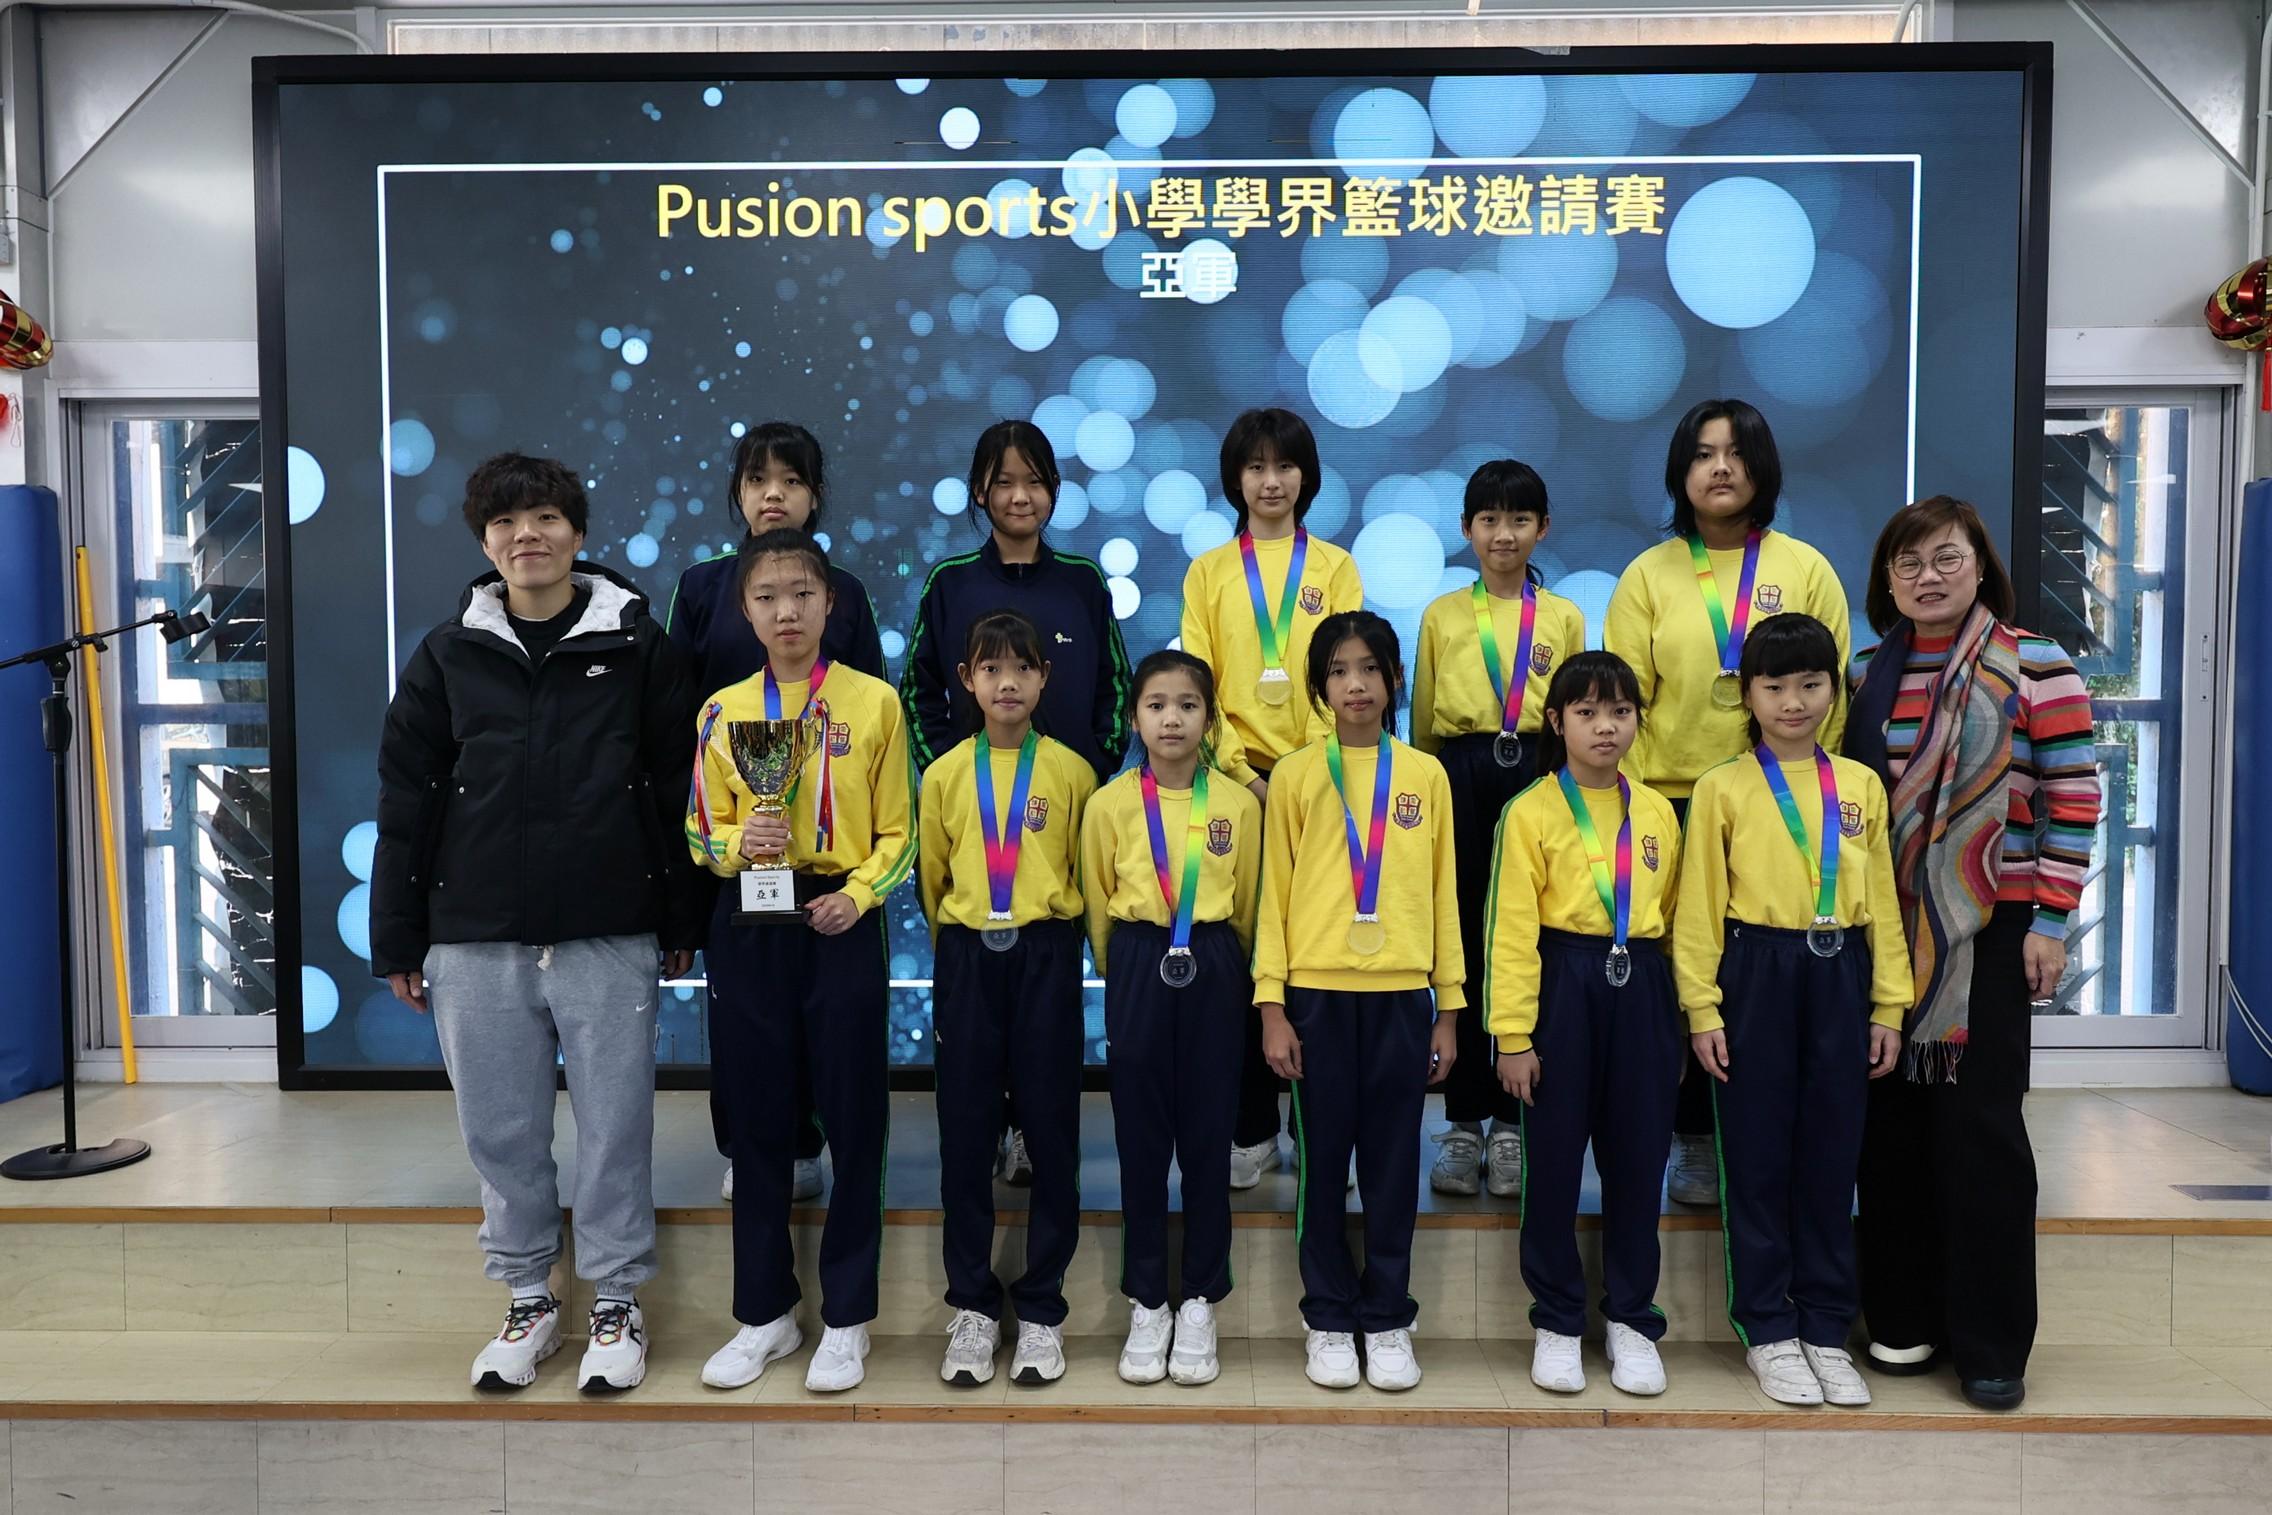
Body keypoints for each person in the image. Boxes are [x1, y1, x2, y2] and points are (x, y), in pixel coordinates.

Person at [370, 451, 704, 1395]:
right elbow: (406, 799)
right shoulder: (447, 654)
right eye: (507, 522)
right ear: (486, 543)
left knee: (615, 1128)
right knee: (501, 1130)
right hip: (473, 934)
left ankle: (616, 1303)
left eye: (547, 517)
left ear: (578, 532)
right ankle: (528, 1298)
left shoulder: (638, 646)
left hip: (608, 927)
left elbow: (677, 788)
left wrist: (681, 914)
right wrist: (398, 935)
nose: (529, 535)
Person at [1846, 496, 2101, 1412]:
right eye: (1909, 562)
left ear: (1980, 565)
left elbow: (2074, 795)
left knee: (1982, 1134)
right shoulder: (1864, 674)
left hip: (1992, 928)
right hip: (1884, 932)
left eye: (1946, 558)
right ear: (1887, 581)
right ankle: (1902, 1318)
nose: (1929, 576)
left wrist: (2050, 922)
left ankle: (1990, 1342)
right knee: (1889, 1131)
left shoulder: (2038, 664)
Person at [1604, 398, 1851, 1210]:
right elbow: (1624, 700)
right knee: (1679, 973)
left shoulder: (1805, 568)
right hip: (1669, 804)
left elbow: (1832, 694)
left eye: (1736, 453)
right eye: (1704, 453)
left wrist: (1799, 785)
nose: (1720, 467)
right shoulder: (1648, 575)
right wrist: (1638, 804)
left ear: (1762, 467)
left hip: (1776, 804)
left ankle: (1752, 1134)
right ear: (1681, 470)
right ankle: (1689, 1136)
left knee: (1757, 978)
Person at [686, 530, 914, 1395]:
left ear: (831, 605)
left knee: (854, 1116)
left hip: (840, 918)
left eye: (802, 594)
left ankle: (847, 1316)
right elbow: (699, 829)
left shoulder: (874, 703)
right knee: (756, 1120)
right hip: (750, 917)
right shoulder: (721, 711)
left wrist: (859, 893)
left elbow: (900, 831)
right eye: (768, 596)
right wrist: (736, 841)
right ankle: (764, 1312)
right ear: (745, 611)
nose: (787, 610)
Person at [1673, 613, 1908, 1408]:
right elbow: (1698, 909)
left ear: (1834, 690)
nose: (1794, 701)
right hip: (1756, 971)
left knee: (1831, 1157)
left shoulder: (1861, 786)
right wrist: (1703, 1009)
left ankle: (1825, 1327)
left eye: (1811, 684)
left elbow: (1883, 905)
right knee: (1758, 1155)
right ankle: (1769, 1328)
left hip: (1841, 972)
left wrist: (1889, 1004)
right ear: (1747, 694)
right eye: (1775, 686)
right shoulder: (1722, 787)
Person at [902, 419, 1130, 1187]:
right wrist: (954, 775)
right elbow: (916, 690)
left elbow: (1117, 688)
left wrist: (1091, 779)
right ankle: (992, 1128)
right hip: (977, 821)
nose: (1019, 495)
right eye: (1003, 482)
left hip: (1062, 819)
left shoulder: (1083, 582)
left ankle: (1033, 1128)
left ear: (1054, 491)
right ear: (980, 492)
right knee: (978, 1002)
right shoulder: (950, 583)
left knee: (1047, 989)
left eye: (1033, 481)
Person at [664, 420, 885, 1208]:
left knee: (827, 1017)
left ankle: (810, 1144)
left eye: (791, 480)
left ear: (815, 496)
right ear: (738, 493)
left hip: (824, 850)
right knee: (745, 1019)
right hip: (736, 840)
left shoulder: (843, 590)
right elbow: (676, 717)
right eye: (758, 480)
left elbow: (868, 710)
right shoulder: (702, 587)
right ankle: (753, 1147)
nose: (774, 494)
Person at [1254, 611, 1462, 1392]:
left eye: (1370, 668)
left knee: (1392, 1164)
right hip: (1315, 995)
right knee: (1322, 1166)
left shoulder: (1426, 775)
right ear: (1319, 687)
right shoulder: (1296, 775)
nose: (1356, 684)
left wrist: (1449, 1007)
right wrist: (1272, 1005)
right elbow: (1274, 894)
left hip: (1402, 996)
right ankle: (1329, 1315)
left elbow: (1443, 894)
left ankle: (1388, 1314)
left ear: (1394, 678)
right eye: (1339, 670)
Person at [1484, 651, 1683, 1398]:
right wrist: (1513, 1035)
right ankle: (1559, 1319)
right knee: (1555, 1162)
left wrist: (1680, 1018)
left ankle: (1631, 1317)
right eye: (1588, 712)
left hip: (1643, 983)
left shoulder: (1656, 811)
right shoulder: (1529, 811)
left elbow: (1679, 921)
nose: (1606, 726)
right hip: (1562, 983)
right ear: (1556, 721)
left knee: (1639, 1160)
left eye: (1620, 711)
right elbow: (1509, 931)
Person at [1179, 406, 1364, 1190]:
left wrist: (1305, 771)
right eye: (1255, 466)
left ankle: (1316, 1128)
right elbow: (1196, 682)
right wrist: (1239, 769)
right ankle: (1251, 1127)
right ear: (1236, 479)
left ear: (1305, 477)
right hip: (1233, 782)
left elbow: (1344, 670)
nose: (1271, 480)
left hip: (1317, 781)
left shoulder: (1336, 567)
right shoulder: (1210, 571)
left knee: (1314, 951)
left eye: (1285, 465)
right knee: (1242, 955)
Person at [918, 610, 1098, 1387]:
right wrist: (965, 942)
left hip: (1045, 953)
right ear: (967, 679)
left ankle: (1043, 1308)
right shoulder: (943, 774)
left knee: (1052, 1130)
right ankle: (972, 1305)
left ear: (1044, 678)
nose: (1007, 682)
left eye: (1023, 667)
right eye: (990, 668)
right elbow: (932, 879)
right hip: (968, 956)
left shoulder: (1073, 773)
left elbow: (1085, 873)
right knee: (965, 1133)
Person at [1080, 650, 1262, 1387]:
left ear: (1210, 720)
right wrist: (1126, 967)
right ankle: (1148, 1298)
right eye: (1156, 705)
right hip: (1138, 957)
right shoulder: (1109, 804)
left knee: (1210, 1138)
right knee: (1142, 1139)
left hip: (1214, 959)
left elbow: (1248, 903)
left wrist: (1222, 963)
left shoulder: (1239, 805)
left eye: (1188, 705)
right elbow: (1098, 903)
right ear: (1135, 718)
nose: (1172, 719)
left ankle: (1201, 1299)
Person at [1412, 459, 1586, 1201]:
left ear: (1543, 527)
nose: (1503, 533)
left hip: (1539, 774)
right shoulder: (1443, 614)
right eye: (1488, 519)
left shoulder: (1564, 616)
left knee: (1527, 933)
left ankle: (1514, 1123)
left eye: (1519, 519)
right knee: (1462, 931)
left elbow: (1577, 710)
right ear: (1467, 528)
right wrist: (1426, 790)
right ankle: (1461, 1121)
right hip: (1460, 774)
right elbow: (1423, 721)